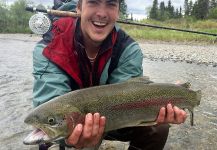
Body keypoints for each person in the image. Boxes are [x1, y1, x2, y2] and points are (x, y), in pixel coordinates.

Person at [32, 0, 187, 149]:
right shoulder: (50, 48)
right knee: (50, 139)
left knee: (158, 128)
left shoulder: (128, 49)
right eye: (93, 2)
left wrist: (167, 96)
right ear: (79, 7)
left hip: (114, 119)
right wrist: (70, 140)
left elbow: (131, 96)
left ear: (118, 12)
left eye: (111, 4)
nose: (102, 13)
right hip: (74, 125)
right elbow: (48, 107)